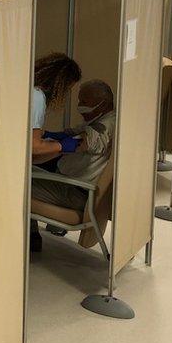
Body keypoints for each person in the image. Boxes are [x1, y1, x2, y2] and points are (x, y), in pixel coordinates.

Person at [31, 80, 116, 252]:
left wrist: (64, 144)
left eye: (84, 102)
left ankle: (27, 238)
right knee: (31, 169)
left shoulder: (105, 126)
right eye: (79, 101)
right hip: (74, 183)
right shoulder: (105, 117)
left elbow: (89, 140)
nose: (79, 106)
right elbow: (76, 131)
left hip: (75, 191)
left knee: (17, 182)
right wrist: (52, 134)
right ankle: (33, 237)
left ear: (103, 104)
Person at [30, 53, 82, 164]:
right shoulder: (37, 97)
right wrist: (60, 146)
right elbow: (34, 147)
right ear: (60, 84)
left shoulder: (29, 89)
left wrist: (44, 135)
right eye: (67, 89)